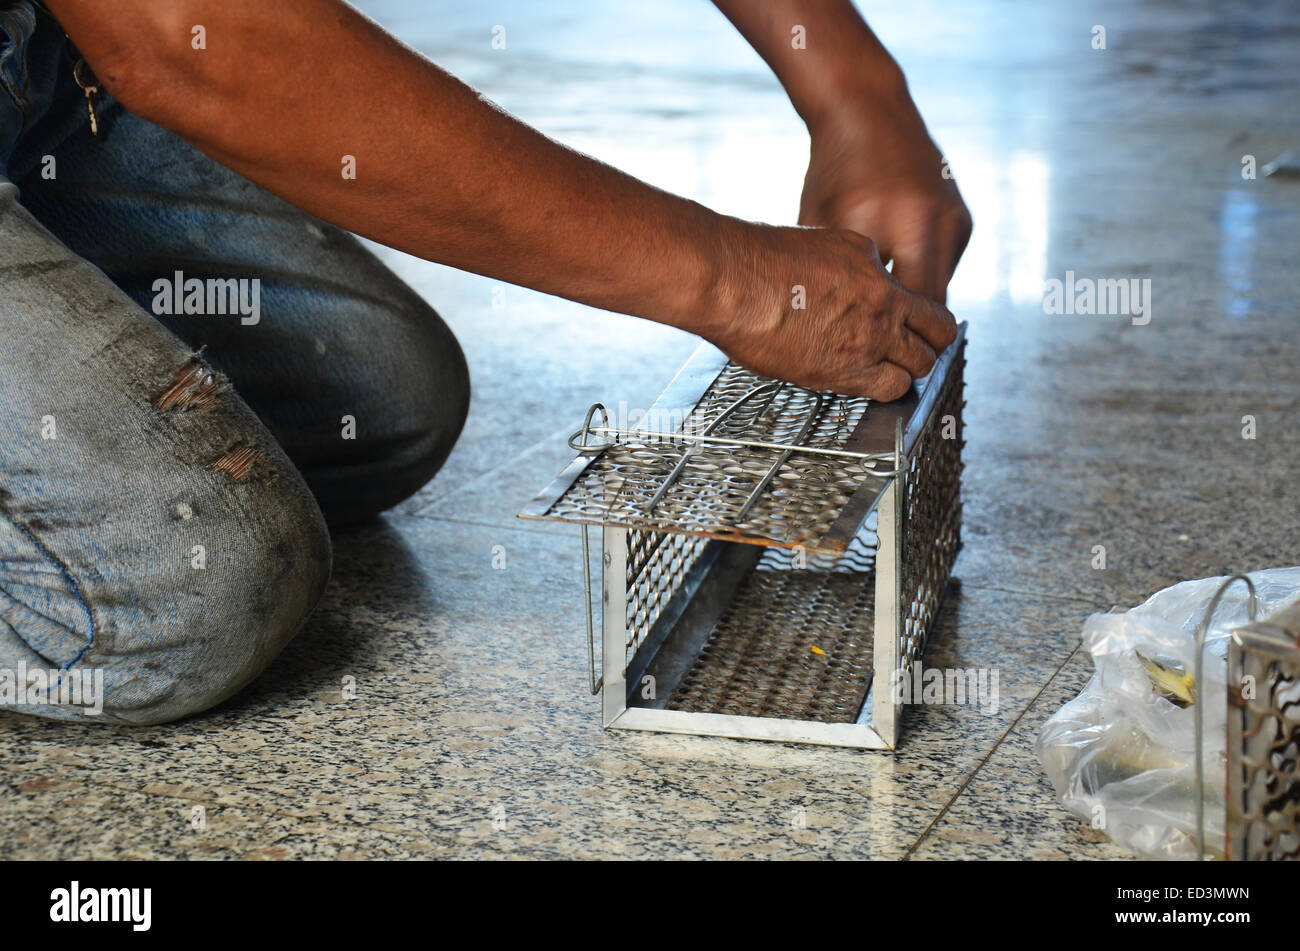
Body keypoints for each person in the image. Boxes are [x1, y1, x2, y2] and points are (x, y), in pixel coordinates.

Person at [0, 0, 971, 724]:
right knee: (184, 593)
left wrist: (854, 93)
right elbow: (182, 31)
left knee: (380, 402)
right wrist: (730, 279)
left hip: (41, 58)